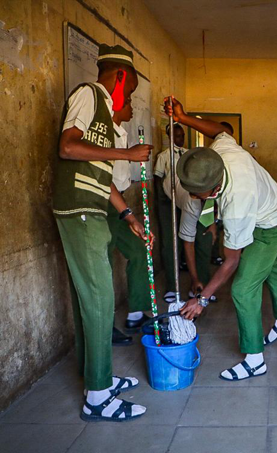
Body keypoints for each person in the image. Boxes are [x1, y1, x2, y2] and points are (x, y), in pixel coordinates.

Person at [53, 44, 152, 421]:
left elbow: (103, 175)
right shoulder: (89, 94)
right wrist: (128, 155)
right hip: (78, 209)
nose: (127, 100)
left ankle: (96, 376)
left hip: (92, 208)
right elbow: (67, 146)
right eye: (129, 92)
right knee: (101, 296)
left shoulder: (107, 123)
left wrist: (128, 215)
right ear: (121, 78)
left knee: (89, 297)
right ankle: (98, 396)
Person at [165, 96, 277, 381]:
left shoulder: (237, 201)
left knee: (244, 288)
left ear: (212, 191)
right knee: (272, 270)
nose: (194, 199)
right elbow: (222, 132)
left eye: (197, 195)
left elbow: (231, 260)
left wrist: (201, 299)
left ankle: (254, 359)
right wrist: (184, 117)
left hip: (272, 224)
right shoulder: (220, 152)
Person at [108, 97, 152, 339]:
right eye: (127, 102)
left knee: (139, 250)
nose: (132, 107)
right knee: (101, 264)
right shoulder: (105, 133)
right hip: (104, 204)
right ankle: (103, 329)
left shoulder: (122, 132)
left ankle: (135, 314)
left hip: (120, 203)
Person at [153, 123, 188, 301]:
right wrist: (163, 200)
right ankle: (171, 286)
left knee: (186, 237)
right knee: (169, 242)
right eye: (177, 136)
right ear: (170, 137)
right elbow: (158, 180)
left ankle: (186, 271)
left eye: (182, 136)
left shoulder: (189, 155)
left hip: (187, 201)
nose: (180, 139)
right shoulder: (164, 156)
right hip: (168, 202)